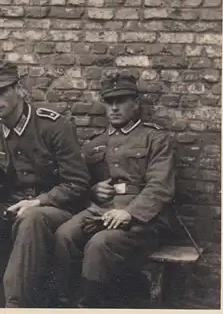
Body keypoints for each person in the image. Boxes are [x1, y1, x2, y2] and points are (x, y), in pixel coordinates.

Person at [0, 61, 90, 308]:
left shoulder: (53, 125)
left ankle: (15, 305)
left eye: (1, 92)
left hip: (56, 207)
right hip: (13, 204)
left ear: (18, 89)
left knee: (32, 218)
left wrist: (39, 201)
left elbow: (77, 183)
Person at [53, 73, 176, 308]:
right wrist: (92, 191)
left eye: (121, 100)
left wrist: (129, 212)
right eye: (110, 102)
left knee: (101, 243)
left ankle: (88, 304)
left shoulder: (155, 138)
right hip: (101, 211)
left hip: (145, 220)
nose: (115, 107)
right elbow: (77, 183)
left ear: (136, 103)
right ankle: (62, 300)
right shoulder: (93, 144)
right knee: (64, 235)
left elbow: (160, 186)